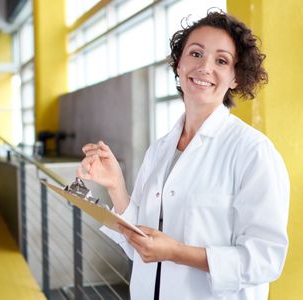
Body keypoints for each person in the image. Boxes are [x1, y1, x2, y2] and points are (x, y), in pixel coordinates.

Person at [77, 10, 289, 300]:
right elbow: (141, 243)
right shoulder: (159, 150)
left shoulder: (253, 152)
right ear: (179, 64)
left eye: (221, 60)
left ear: (235, 78)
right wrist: (116, 186)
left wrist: (177, 253)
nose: (204, 67)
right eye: (196, 53)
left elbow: (265, 259)